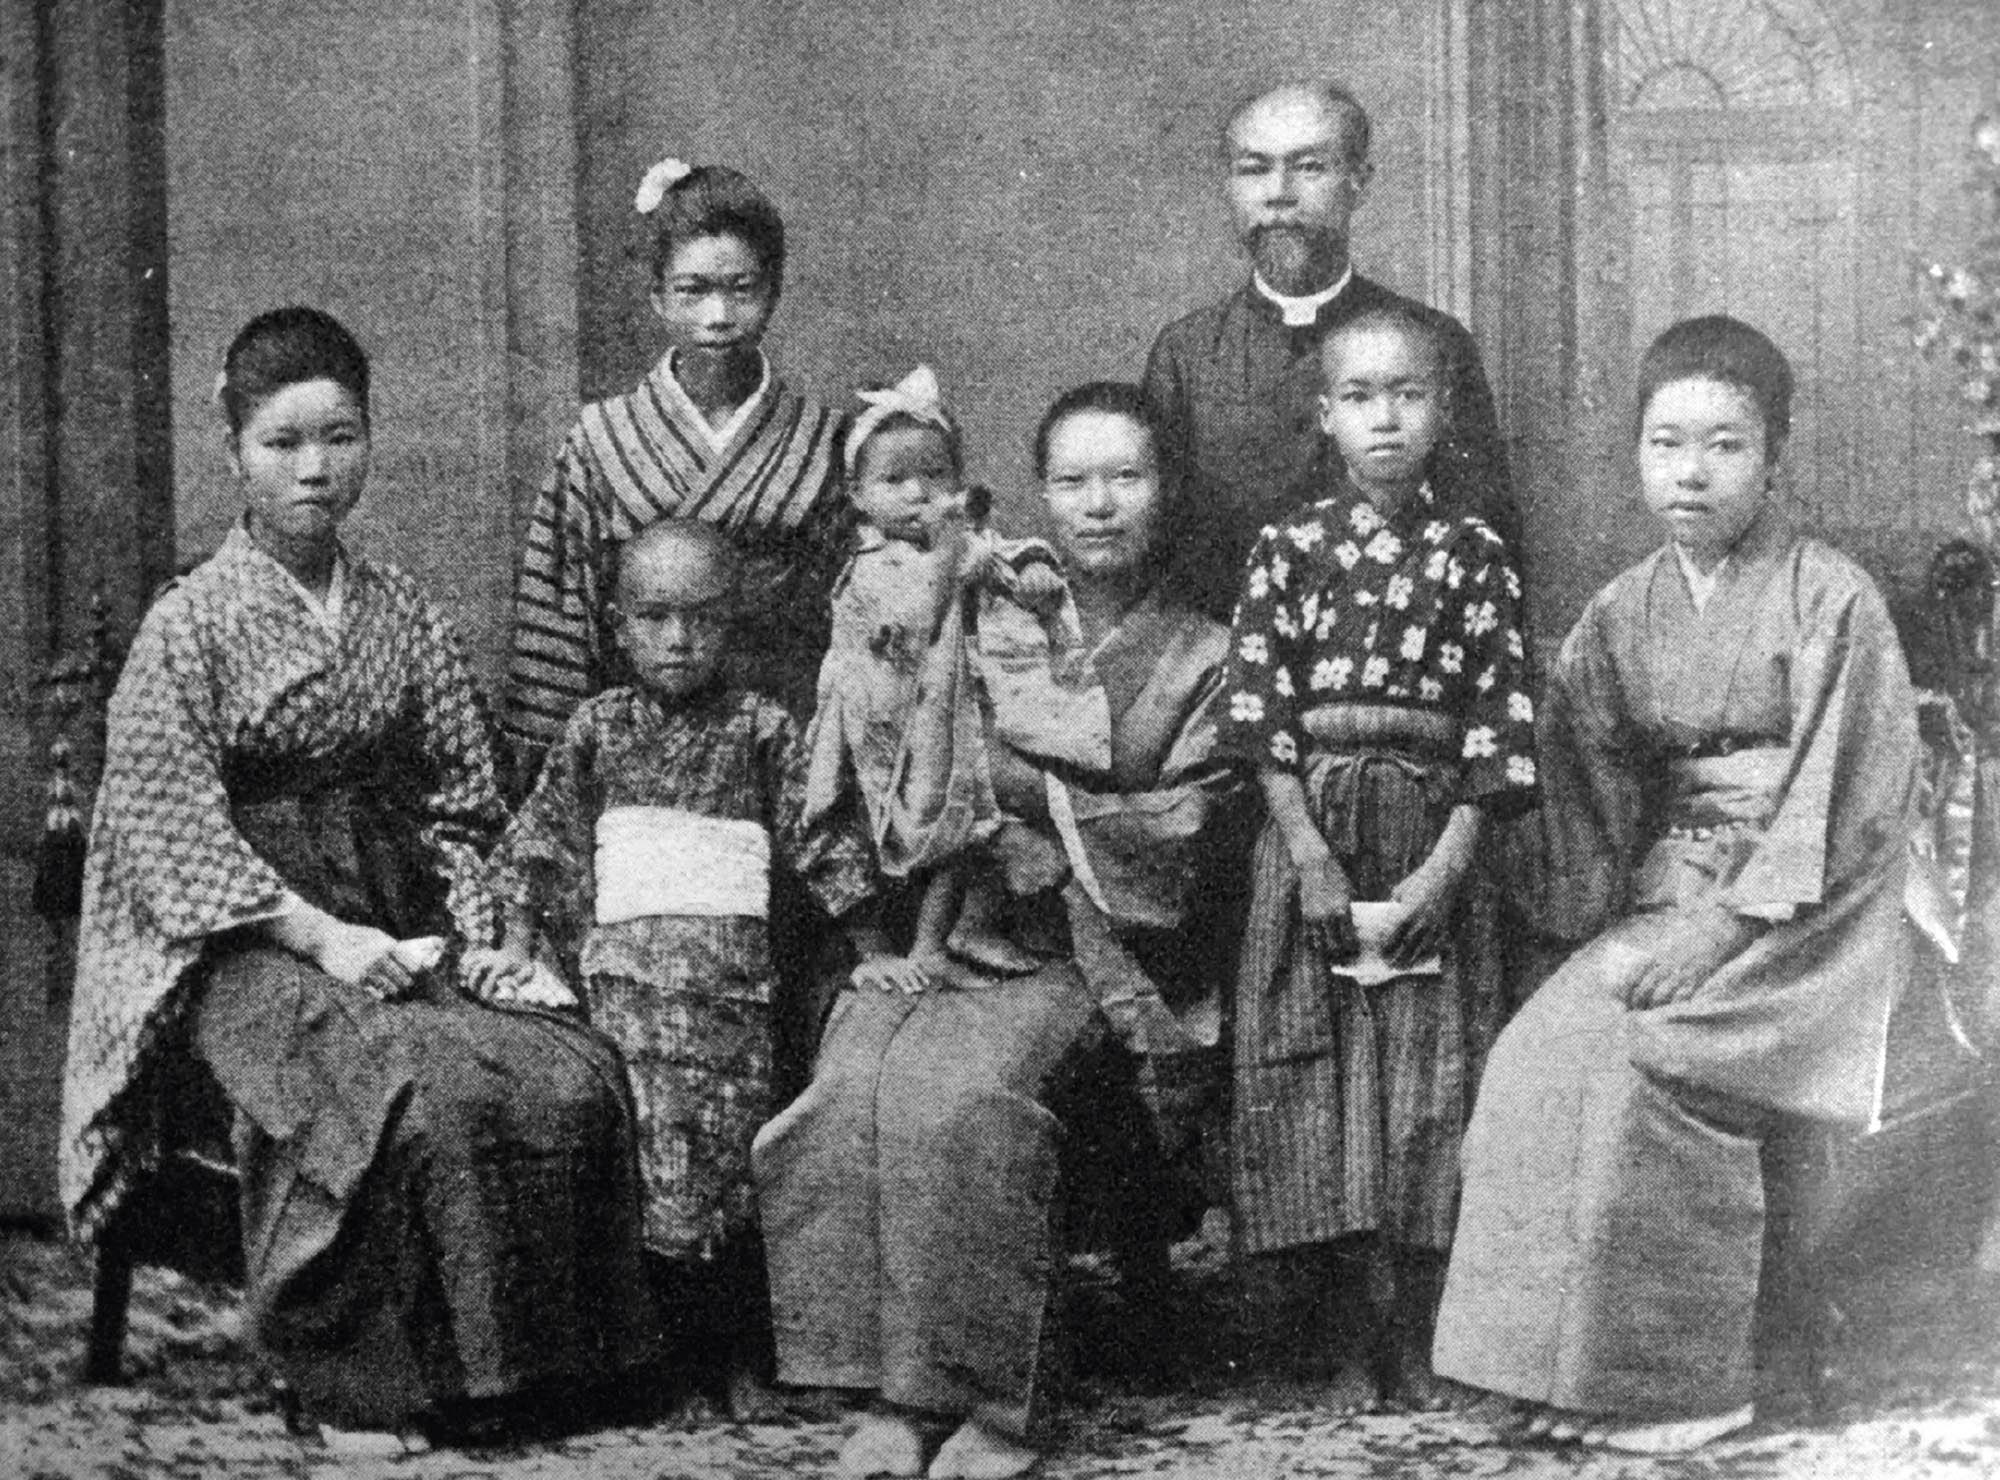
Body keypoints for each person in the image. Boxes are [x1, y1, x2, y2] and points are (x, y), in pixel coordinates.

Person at [59, 307, 655, 1444]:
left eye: (340, 436)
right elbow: (166, 825)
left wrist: (483, 937)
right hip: (240, 942)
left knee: (559, 1069)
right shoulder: (187, 628)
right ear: (232, 447)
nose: (316, 470)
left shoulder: (401, 611)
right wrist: (318, 936)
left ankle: (536, 1373)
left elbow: (462, 801)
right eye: (283, 443)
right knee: (398, 1089)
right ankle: (355, 1381)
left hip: (398, 909)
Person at [1431, 316, 1921, 1452]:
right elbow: (1576, 778)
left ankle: (1683, 1386)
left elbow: (1845, 800)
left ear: (1773, 457)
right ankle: (1552, 1369)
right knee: (1533, 1059)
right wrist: (1574, 903)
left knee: (1653, 1063)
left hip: (1804, 908)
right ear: (1636, 454)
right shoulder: (1620, 606)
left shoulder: (1828, 596)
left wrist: (1721, 921)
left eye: (1723, 445)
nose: (1688, 472)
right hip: (1667, 893)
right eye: (1664, 444)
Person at [755, 384, 1244, 1480]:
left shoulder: (1204, 651)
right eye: (1070, 480)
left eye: (1128, 476)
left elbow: (1183, 828)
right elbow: (899, 755)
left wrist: (1026, 809)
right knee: (845, 1086)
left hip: (1092, 948)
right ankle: (883, 1390)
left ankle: (988, 1403)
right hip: (953, 923)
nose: (1099, 504)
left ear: (1168, 491)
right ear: (1035, 493)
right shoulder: (989, 604)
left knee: (964, 1104)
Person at [469, 518, 877, 1421]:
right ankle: (663, 1368)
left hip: (734, 995)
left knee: (740, 1172)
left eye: (702, 619)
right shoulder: (598, 729)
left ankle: (740, 1360)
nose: (678, 639)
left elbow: (819, 841)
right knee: (641, 1174)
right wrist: (520, 939)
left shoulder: (762, 727)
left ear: (735, 623)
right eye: (654, 618)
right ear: (617, 625)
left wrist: (875, 951)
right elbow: (541, 847)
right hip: (625, 1000)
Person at [1219, 304, 1537, 1412]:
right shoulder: (1288, 549)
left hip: (1429, 826)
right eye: (1359, 397)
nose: (1384, 417)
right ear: (1324, 415)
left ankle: (1417, 1331)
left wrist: (1446, 869)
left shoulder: (1473, 554)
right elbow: (1258, 718)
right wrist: (1302, 848)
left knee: (1423, 1083)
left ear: (1442, 410)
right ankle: (1338, 1335)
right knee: (1315, 1078)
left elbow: (1499, 727)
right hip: (1313, 827)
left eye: (1407, 394)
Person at [505, 157, 847, 778]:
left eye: (741, 289)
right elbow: (555, 621)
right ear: (658, 298)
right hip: (633, 750)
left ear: (772, 292)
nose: (717, 316)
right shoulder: (599, 439)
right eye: (693, 291)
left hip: (785, 745)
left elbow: (855, 621)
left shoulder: (823, 440)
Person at [1142, 81, 1513, 621]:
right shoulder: (1186, 353)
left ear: (1358, 182)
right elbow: (1156, 553)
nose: (1279, 193)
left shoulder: (1435, 342)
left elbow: (1489, 546)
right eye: (1254, 169)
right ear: (1229, 185)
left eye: (1309, 167)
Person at [802, 364, 1106, 986]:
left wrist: (1031, 576)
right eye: (896, 479)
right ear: (858, 495)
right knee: (920, 823)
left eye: (935, 476)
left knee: (983, 811)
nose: (919, 493)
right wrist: (949, 560)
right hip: (889, 727)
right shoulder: (868, 566)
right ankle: (903, 946)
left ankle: (959, 931)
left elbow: (1004, 557)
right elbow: (909, 623)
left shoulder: (960, 540)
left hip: (955, 711)